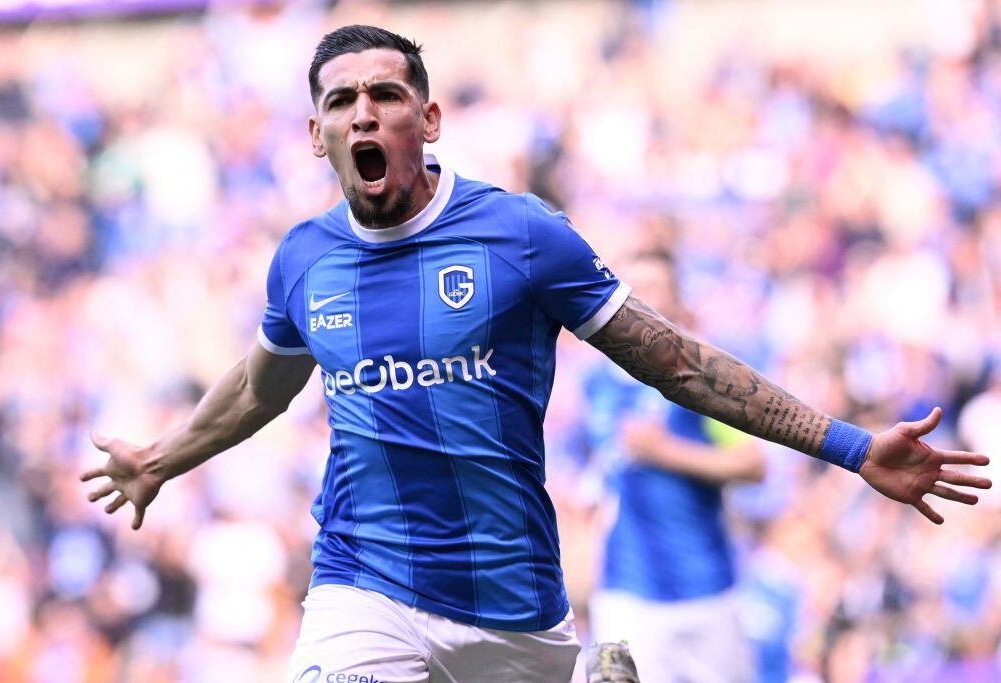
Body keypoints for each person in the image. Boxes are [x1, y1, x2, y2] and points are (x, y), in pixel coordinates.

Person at [80, 24, 992, 683]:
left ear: (428, 118)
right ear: (313, 133)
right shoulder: (302, 262)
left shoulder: (519, 236)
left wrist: (850, 447)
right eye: (340, 103)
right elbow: (257, 390)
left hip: (515, 607)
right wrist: (162, 459)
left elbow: (675, 362)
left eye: (386, 96)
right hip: (362, 581)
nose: (364, 115)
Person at [578, 255, 763, 682]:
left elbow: (753, 465)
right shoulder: (594, 383)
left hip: (706, 587)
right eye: (632, 288)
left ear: (676, 304)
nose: (640, 300)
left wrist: (666, 452)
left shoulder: (705, 379)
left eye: (654, 288)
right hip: (625, 589)